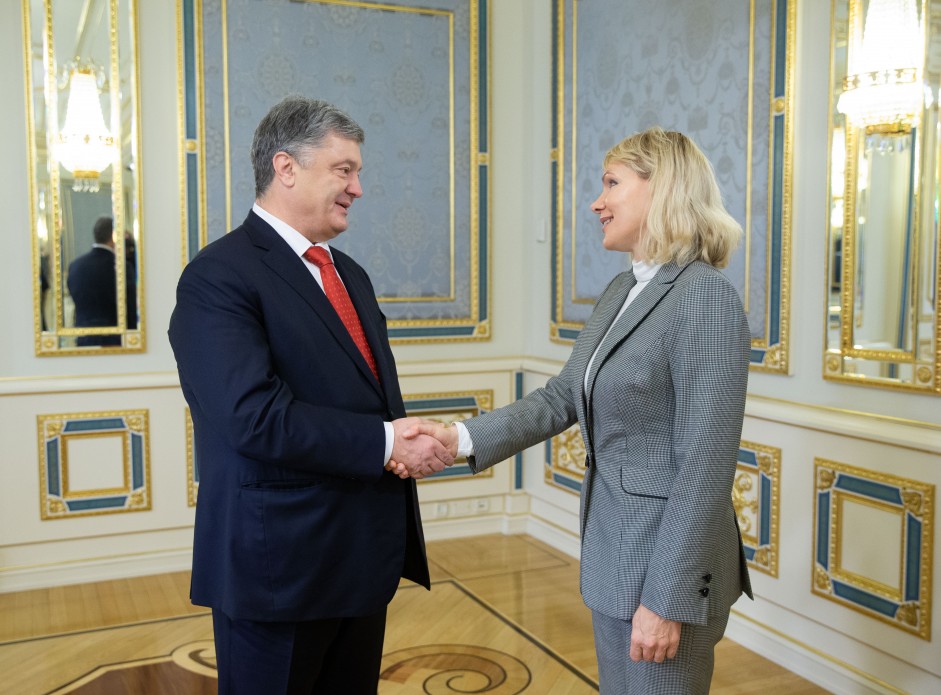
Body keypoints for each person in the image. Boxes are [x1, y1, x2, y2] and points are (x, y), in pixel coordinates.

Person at [396, 127, 752, 694]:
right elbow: (562, 396)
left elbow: (704, 470)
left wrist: (666, 599)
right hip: (614, 555)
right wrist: (457, 437)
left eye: (612, 183)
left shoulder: (704, 295)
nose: (597, 201)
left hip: (666, 570)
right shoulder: (621, 289)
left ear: (662, 190)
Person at [168, 97, 452, 694]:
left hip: (360, 558)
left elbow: (365, 398)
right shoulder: (217, 276)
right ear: (286, 167)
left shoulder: (349, 272)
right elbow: (254, 418)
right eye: (344, 170)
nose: (358, 187)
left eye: (358, 172)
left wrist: (396, 441)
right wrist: (386, 441)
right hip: (280, 572)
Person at [66, 215, 137, 346]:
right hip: (116, 340)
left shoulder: (75, 265)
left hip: (84, 339)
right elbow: (130, 308)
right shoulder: (122, 267)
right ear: (114, 236)